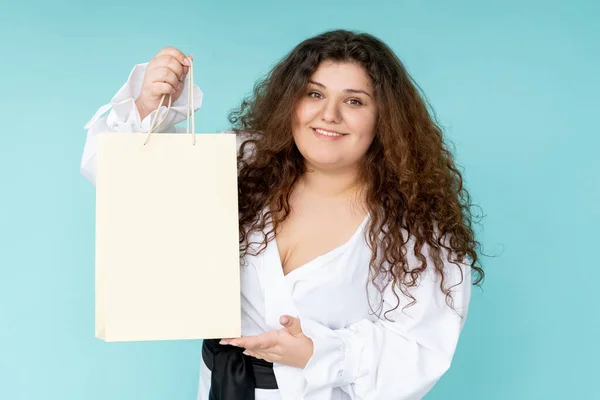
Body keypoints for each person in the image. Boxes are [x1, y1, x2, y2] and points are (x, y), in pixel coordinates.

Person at [80, 30, 484, 400]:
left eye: (354, 101)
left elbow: (420, 352)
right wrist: (149, 105)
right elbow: (124, 185)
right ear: (290, 100)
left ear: (384, 119)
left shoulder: (414, 224)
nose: (329, 114)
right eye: (314, 94)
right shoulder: (241, 164)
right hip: (219, 388)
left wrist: (318, 352)